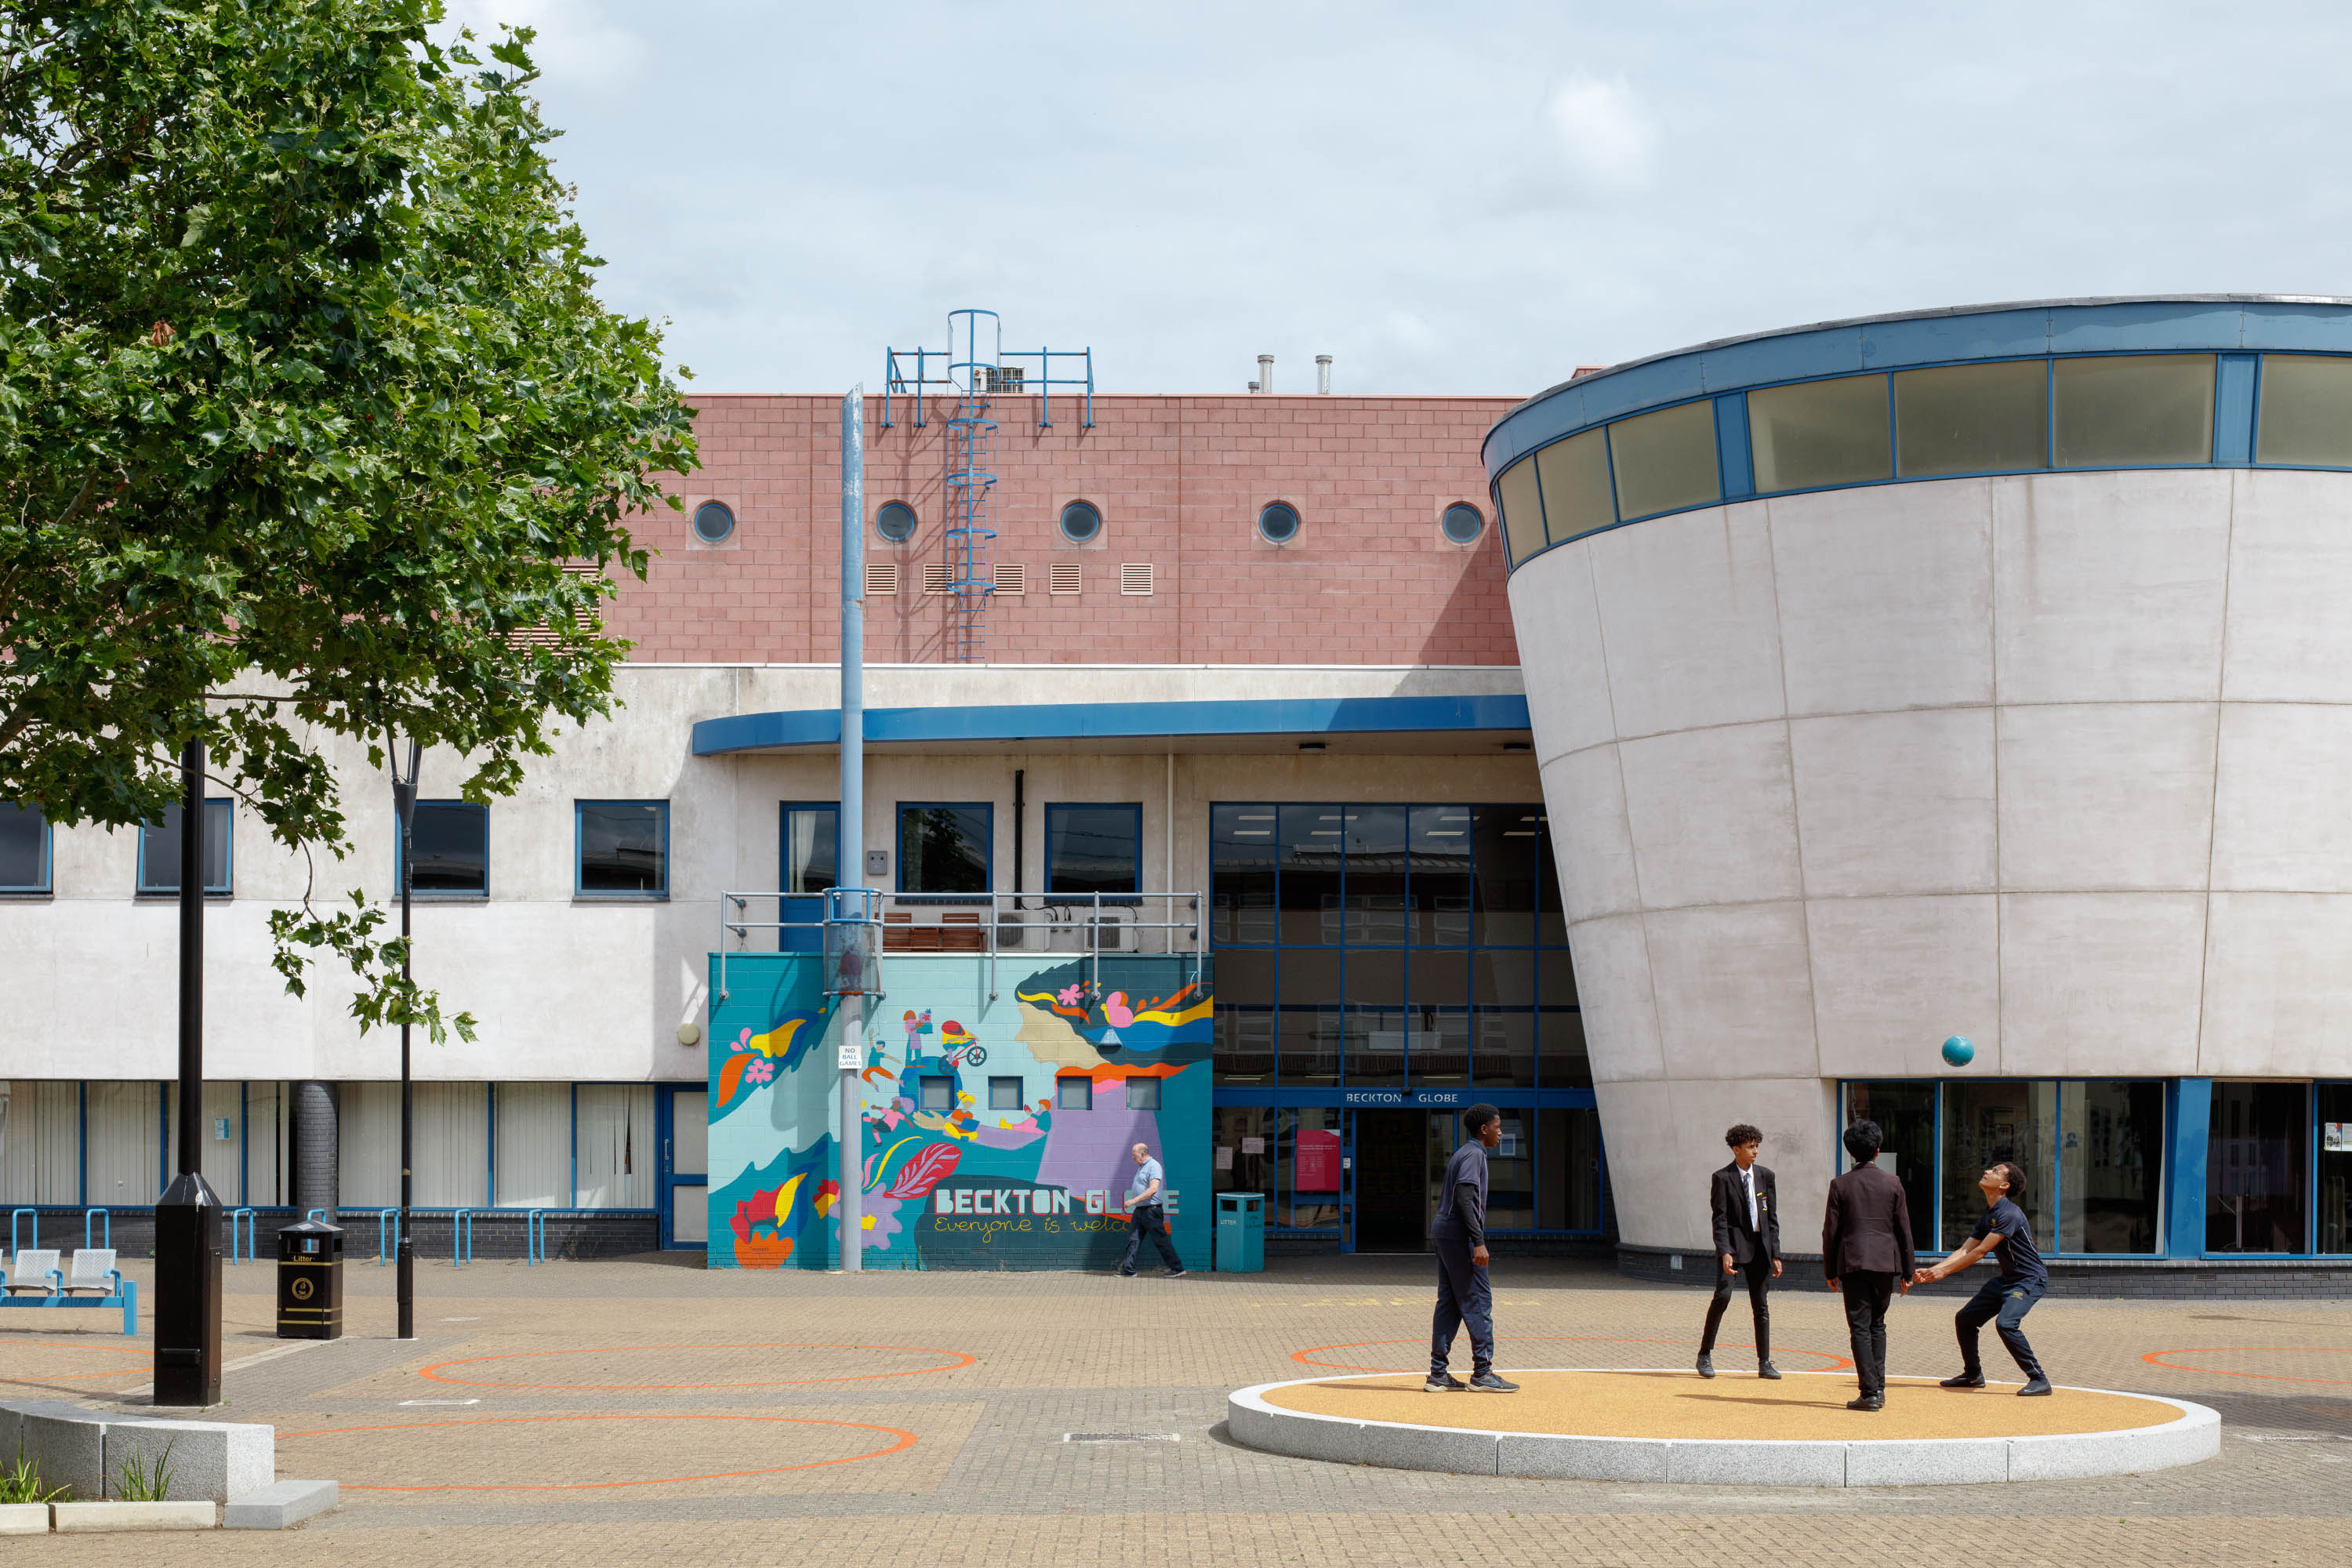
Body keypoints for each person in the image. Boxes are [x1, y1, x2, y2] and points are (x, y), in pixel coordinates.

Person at [1915, 1161, 2051, 1396]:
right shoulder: (1989, 1215)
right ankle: (1973, 1375)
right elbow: (1965, 1250)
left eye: (1995, 1172)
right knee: (1965, 1319)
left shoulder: (2009, 1213)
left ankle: (2039, 1379)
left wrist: (1944, 1272)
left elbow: (1980, 1252)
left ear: (2004, 1185)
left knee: (2006, 1325)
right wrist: (1933, 1270)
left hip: (2029, 1279)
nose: (1987, 1171)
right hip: (2007, 1279)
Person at [1820, 1119, 1916, 1411]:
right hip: (1886, 1262)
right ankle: (1879, 1388)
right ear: (1878, 1150)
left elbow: (1831, 1231)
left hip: (1853, 1261)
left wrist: (1830, 1271)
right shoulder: (1893, 1182)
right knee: (1878, 1324)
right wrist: (1908, 1271)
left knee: (1860, 1326)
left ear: (1851, 1152)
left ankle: (1869, 1392)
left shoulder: (1840, 1184)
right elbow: (1904, 1229)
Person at [1425, 1104, 1519, 1393]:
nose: (1500, 1132)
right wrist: (1478, 1241)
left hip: (1444, 1234)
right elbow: (1465, 1198)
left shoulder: (1463, 1152)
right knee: (1477, 1301)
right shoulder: (1474, 1154)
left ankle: (1438, 1374)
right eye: (1497, 1126)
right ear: (1484, 1129)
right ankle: (1483, 1372)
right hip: (1460, 1238)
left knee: (1450, 1303)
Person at [1697, 1122, 1781, 1380]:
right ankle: (1704, 1354)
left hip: (1760, 1249)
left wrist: (1776, 1254)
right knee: (1722, 1297)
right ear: (1736, 1149)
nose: (1755, 1151)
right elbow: (1719, 1219)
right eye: (1750, 1147)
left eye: (1757, 1146)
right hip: (1733, 1248)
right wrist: (1724, 1251)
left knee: (1761, 1305)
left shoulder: (1766, 1176)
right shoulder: (1722, 1178)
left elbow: (1772, 1218)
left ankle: (1764, 1362)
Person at [1116, 1142, 1185, 1278]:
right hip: (1141, 1210)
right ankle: (1129, 1270)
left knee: (1160, 1240)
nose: (1133, 1157)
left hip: (1151, 1211)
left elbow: (1153, 1189)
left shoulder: (1154, 1166)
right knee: (1133, 1239)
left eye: (1134, 1154)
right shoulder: (1142, 1167)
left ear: (1142, 1154)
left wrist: (1133, 1201)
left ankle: (1177, 1268)